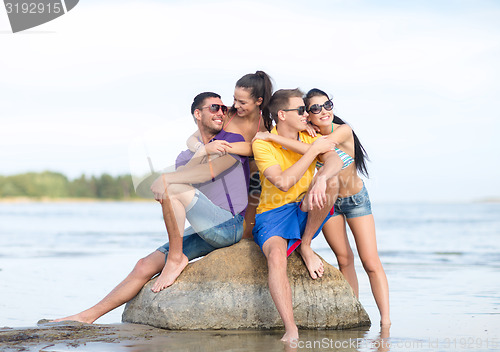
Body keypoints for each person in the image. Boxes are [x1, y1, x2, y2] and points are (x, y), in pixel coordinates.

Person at [53, 92, 249, 324]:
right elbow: (186, 179)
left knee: (171, 186)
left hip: (230, 225)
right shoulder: (186, 155)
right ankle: (85, 317)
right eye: (215, 108)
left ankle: (176, 258)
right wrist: (200, 151)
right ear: (198, 113)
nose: (221, 112)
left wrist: (171, 177)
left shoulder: (229, 145)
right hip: (205, 229)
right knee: (144, 264)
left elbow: (200, 175)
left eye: (224, 108)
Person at [253, 88, 390, 326]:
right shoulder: (309, 133)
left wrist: (275, 138)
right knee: (344, 258)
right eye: (312, 108)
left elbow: (332, 155)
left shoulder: (340, 130)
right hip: (329, 202)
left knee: (370, 261)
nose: (322, 111)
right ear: (306, 115)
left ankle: (386, 322)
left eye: (327, 105)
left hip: (355, 198)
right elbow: (311, 154)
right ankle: (353, 309)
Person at [251, 88, 343, 342]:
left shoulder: (308, 134)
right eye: (301, 110)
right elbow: (283, 182)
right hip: (272, 214)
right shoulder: (262, 142)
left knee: (333, 183)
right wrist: (313, 152)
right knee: (277, 257)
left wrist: (322, 177)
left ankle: (306, 244)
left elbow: (336, 162)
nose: (306, 114)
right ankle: (291, 329)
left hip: (303, 207)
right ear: (282, 114)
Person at [186, 71, 274, 239]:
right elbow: (191, 138)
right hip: (221, 176)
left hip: (252, 180)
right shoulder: (227, 115)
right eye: (234, 99)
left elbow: (254, 148)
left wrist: (224, 146)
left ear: (258, 101)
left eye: (242, 102)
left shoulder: (265, 124)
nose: (236, 105)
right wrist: (201, 148)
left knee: (247, 229)